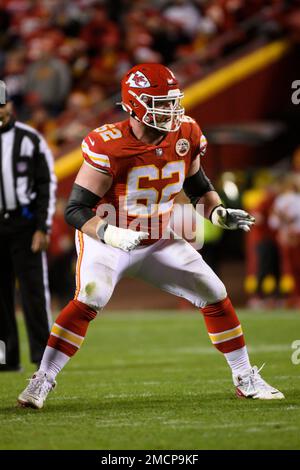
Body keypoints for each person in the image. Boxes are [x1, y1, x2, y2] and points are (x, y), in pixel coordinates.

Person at [18, 63, 284, 408]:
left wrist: (216, 211)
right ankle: (43, 378)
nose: (170, 111)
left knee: (215, 292)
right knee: (90, 298)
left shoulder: (186, 131)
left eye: (173, 101)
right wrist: (110, 234)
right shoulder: (109, 143)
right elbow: (75, 209)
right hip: (107, 238)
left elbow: (197, 184)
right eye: (160, 103)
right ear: (134, 105)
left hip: (158, 237)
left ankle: (245, 377)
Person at [0, 89, 56, 371]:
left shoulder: (30, 139)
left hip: (24, 226)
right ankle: (4, 359)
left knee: (34, 292)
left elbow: (47, 184)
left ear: (9, 105)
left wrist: (42, 227)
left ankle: (41, 358)